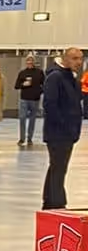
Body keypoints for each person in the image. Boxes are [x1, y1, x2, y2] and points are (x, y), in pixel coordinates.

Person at [43, 46, 85, 211]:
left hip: (69, 132)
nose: (79, 62)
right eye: (75, 59)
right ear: (65, 59)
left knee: (58, 167)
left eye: (80, 58)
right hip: (58, 133)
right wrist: (63, 125)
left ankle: (50, 200)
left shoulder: (71, 78)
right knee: (58, 167)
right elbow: (50, 105)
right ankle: (56, 202)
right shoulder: (55, 77)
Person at [16, 54, 45, 146]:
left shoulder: (39, 72)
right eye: (28, 60)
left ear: (34, 62)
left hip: (35, 99)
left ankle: (29, 138)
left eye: (31, 60)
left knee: (32, 119)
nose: (29, 62)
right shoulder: (22, 73)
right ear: (26, 62)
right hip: (24, 99)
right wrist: (23, 85)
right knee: (22, 118)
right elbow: (16, 86)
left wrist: (39, 92)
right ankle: (22, 138)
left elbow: (44, 84)